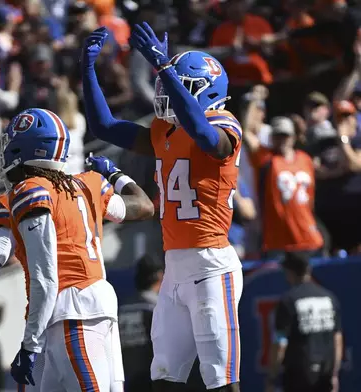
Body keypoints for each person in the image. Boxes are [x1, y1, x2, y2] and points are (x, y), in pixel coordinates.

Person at [0, 108, 154, 392]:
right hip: (88, 308)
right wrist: (115, 174)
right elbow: (144, 206)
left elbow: (7, 268)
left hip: (70, 312)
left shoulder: (26, 191)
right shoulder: (90, 183)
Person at [82, 23, 244, 391]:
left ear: (208, 93)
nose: (166, 93)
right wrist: (88, 71)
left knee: (221, 381)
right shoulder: (164, 131)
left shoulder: (224, 124)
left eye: (179, 87)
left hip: (211, 266)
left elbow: (204, 136)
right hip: (173, 269)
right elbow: (104, 126)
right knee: (165, 379)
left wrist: (163, 66)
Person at [242, 116, 324, 259]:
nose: (282, 140)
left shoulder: (305, 159)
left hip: (307, 233)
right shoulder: (265, 159)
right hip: (277, 239)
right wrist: (254, 99)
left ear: (293, 137)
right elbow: (247, 133)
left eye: (285, 136)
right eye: (278, 136)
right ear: (272, 138)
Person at [265, 252, 343, 392]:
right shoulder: (328, 297)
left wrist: (272, 376)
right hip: (325, 372)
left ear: (289, 272)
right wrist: (334, 374)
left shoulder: (289, 300)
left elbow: (280, 343)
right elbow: (337, 339)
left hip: (298, 374)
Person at [118, 254, 163, 392]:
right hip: (152, 381)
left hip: (126, 380)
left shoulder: (122, 308)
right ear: (160, 276)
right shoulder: (158, 307)